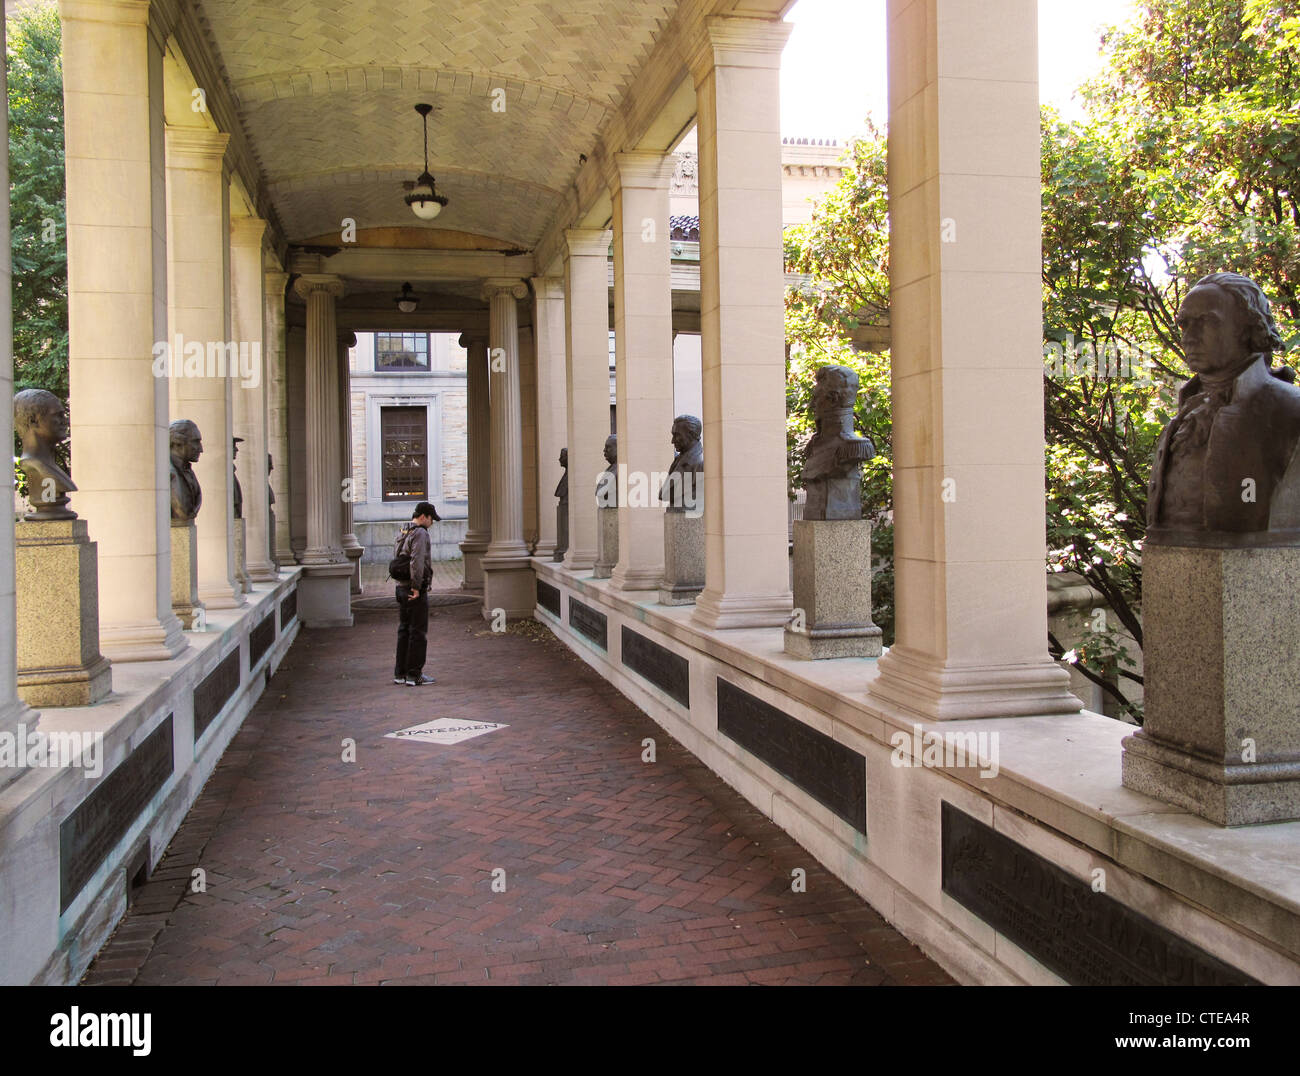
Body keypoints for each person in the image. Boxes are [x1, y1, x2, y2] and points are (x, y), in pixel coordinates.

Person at [1148, 272, 1300, 540]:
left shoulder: (1288, 409)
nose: (1189, 337)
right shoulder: (1186, 411)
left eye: (1206, 322)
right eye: (1184, 324)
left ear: (1248, 328)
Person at [394, 500, 440, 686]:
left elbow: (398, 557)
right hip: (414, 589)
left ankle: (400, 673)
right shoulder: (420, 533)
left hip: (400, 587)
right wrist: (416, 587)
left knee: (404, 630)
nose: (432, 523)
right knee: (418, 632)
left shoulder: (404, 530)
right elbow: (417, 561)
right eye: (431, 519)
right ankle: (414, 675)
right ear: (423, 516)